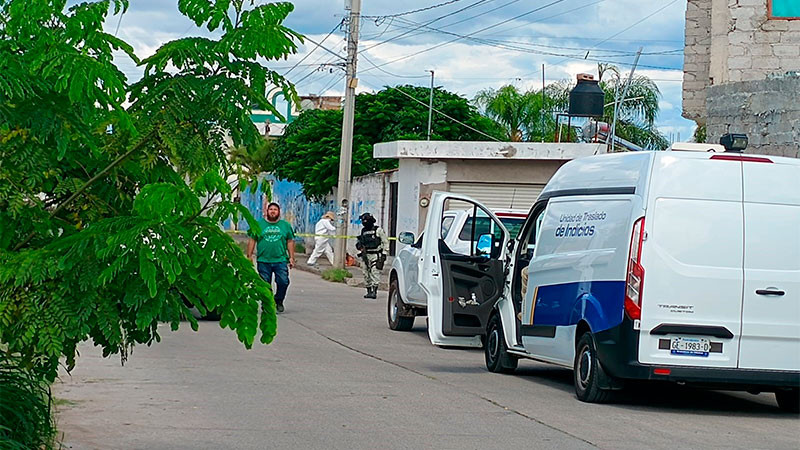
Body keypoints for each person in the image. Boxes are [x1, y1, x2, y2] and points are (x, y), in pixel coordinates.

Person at [247, 202, 296, 314]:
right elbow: (252, 239)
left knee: (283, 281)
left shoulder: (285, 226)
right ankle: (267, 303)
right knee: (265, 284)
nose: (273, 211)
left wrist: (291, 257)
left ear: (279, 212)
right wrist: (249, 256)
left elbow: (290, 241)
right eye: (271, 209)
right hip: (263, 260)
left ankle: (278, 300)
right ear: (267, 212)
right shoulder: (258, 225)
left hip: (281, 260)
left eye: (275, 209)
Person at [355, 212, 389, 299]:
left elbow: (385, 242)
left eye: (365, 220)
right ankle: (369, 291)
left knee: (375, 272)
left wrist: (384, 254)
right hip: (366, 255)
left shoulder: (378, 230)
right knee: (366, 273)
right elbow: (360, 242)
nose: (364, 222)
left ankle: (374, 291)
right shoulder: (363, 231)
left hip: (376, 254)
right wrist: (359, 245)